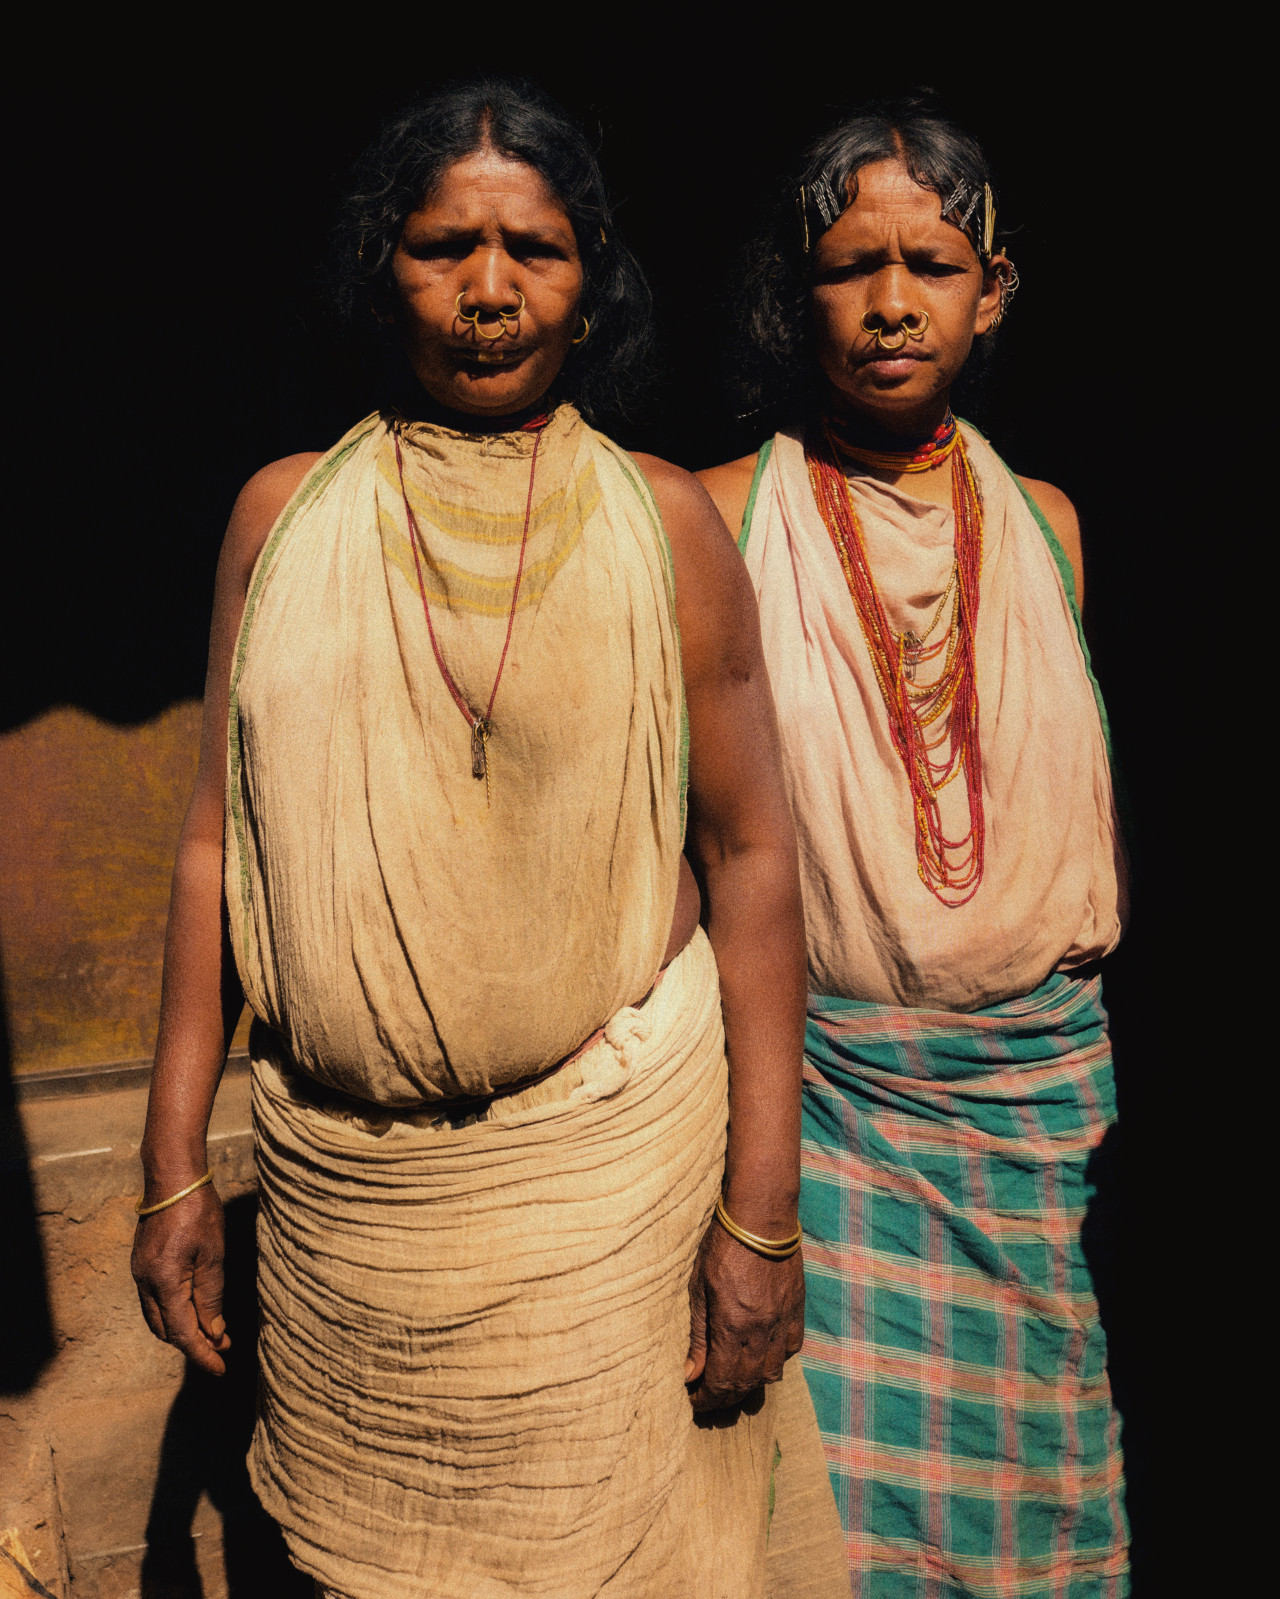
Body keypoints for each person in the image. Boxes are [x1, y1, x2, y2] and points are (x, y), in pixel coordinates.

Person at [130, 78, 847, 1599]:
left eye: (535, 248)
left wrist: (762, 1212)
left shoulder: (661, 523)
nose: (487, 288)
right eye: (444, 245)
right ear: (378, 269)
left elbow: (755, 862)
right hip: (349, 1232)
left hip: (603, 1205)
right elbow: (216, 844)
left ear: (592, 287)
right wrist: (170, 1162)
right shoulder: (282, 519)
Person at [699, 96, 1130, 1596]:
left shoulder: (1055, 532)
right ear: (793, 290)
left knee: (1040, 1534)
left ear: (992, 293)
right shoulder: (716, 524)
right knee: (824, 1546)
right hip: (817, 1123)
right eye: (851, 267)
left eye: (933, 265)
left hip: (1036, 1124)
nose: (891, 305)